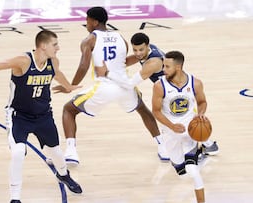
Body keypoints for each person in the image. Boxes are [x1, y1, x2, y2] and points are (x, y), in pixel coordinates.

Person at [56, 6, 169, 165]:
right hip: (125, 86)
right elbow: (124, 62)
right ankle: (162, 146)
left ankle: (71, 151)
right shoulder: (120, 38)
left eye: (87, 20)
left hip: (105, 87)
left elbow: (84, 65)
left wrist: (71, 85)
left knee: (69, 110)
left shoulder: (90, 40)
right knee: (143, 110)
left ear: (94, 22)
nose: (86, 23)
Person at [0, 30, 83, 203]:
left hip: (43, 115)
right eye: (55, 44)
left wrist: (68, 86)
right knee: (18, 153)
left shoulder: (53, 61)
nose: (58, 48)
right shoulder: (24, 61)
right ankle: (15, 198)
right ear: (43, 46)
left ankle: (63, 175)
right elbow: (5, 63)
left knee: (56, 152)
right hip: (19, 116)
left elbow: (56, 73)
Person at [95, 32, 219, 156]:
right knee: (182, 120)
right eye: (135, 49)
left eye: (141, 49)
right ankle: (208, 144)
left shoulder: (152, 63)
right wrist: (113, 65)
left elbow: (129, 84)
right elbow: (134, 58)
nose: (138, 53)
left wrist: (107, 73)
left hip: (175, 90)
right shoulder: (149, 50)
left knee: (176, 120)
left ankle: (197, 147)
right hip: (173, 86)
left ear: (147, 46)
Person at [152, 51, 207, 203]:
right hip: (170, 133)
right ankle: (195, 159)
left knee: (194, 172)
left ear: (178, 67)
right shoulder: (159, 86)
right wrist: (172, 126)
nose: (163, 69)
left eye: (167, 67)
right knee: (182, 173)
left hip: (190, 132)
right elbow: (155, 111)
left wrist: (200, 114)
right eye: (163, 66)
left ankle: (197, 158)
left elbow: (202, 102)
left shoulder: (195, 83)